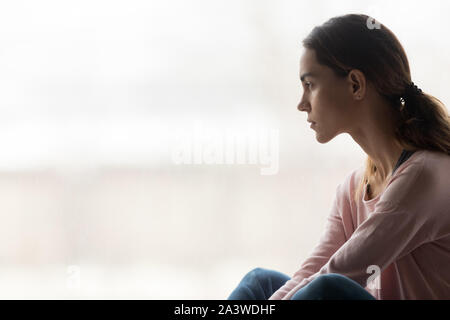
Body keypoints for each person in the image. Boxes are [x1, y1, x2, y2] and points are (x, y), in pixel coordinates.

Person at [228, 13, 450, 300]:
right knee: (260, 282)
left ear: (355, 84)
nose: (301, 103)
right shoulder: (353, 188)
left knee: (327, 287)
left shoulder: (424, 174)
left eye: (310, 85)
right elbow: (310, 271)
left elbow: (344, 271)